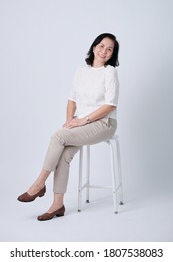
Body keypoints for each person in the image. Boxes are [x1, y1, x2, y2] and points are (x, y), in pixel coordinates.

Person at [17, 33, 120, 221]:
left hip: (104, 124)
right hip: (82, 123)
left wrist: (82, 121)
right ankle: (58, 205)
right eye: (101, 45)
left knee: (58, 137)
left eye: (109, 49)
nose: (104, 50)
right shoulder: (81, 70)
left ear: (113, 54)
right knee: (63, 154)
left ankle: (39, 183)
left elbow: (110, 105)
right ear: (94, 46)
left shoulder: (109, 72)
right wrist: (69, 121)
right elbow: (71, 99)